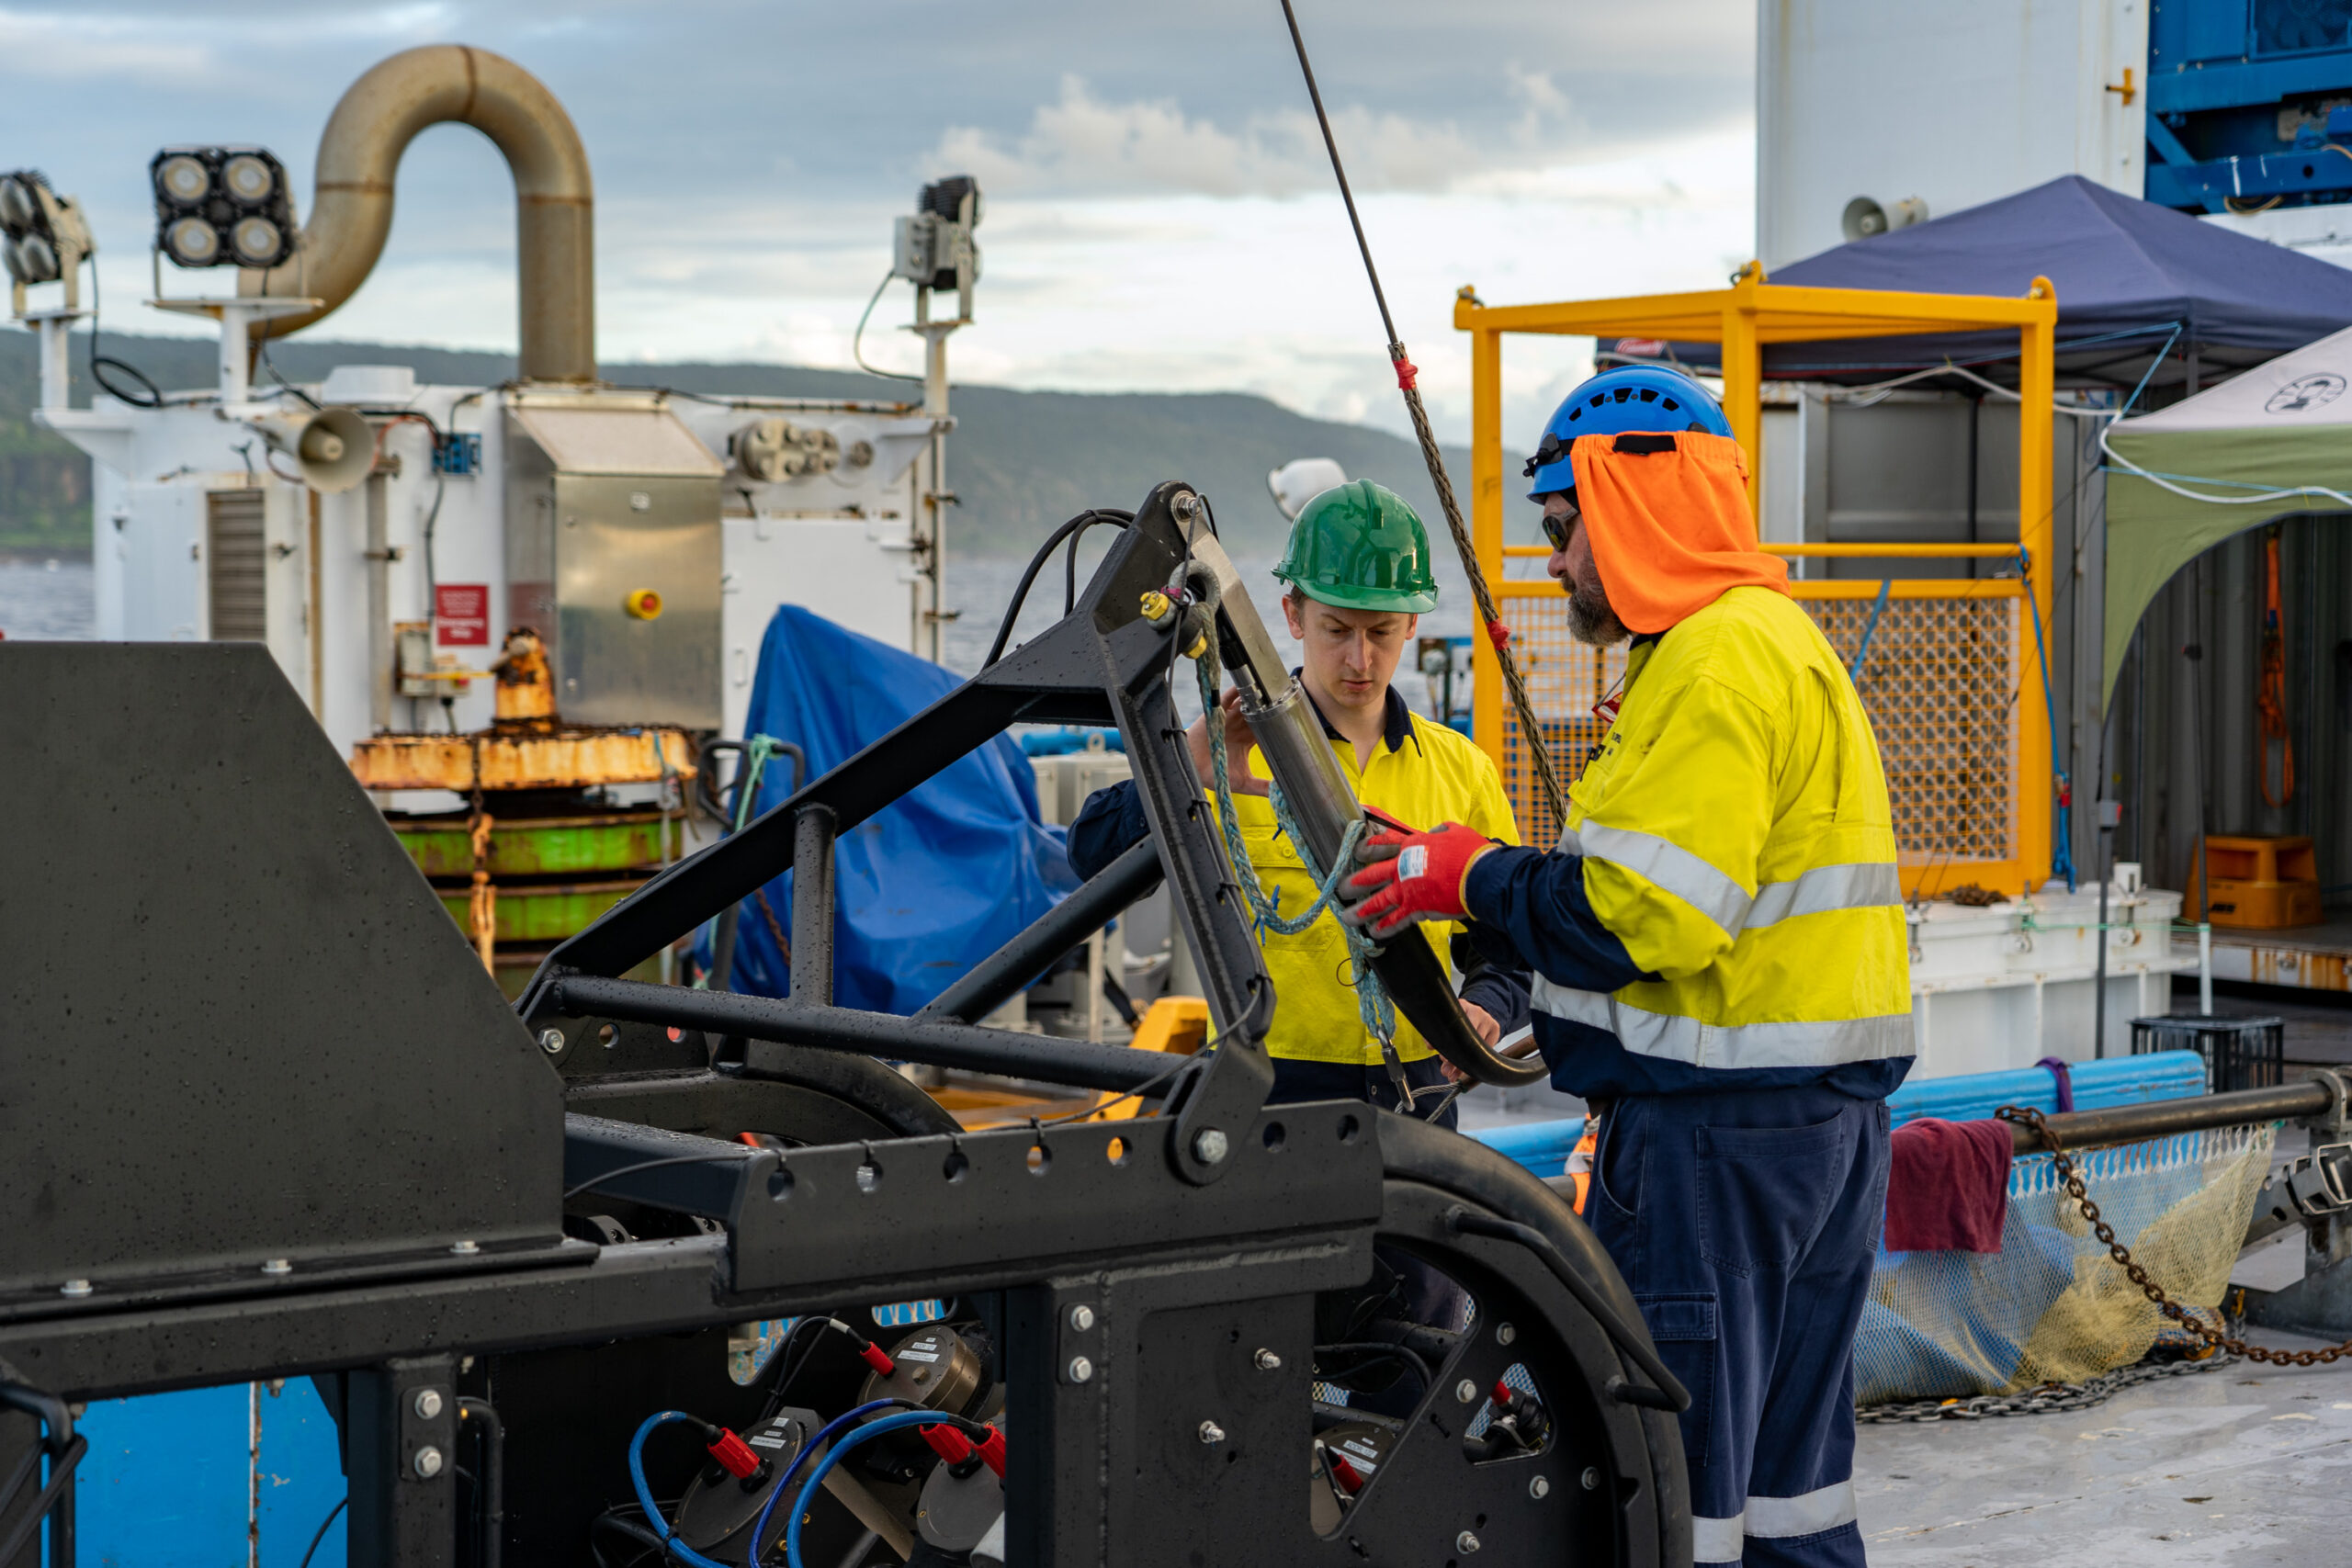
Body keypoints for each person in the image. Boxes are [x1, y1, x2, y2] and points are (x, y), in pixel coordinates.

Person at [1339, 366, 1913, 1568]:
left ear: (1632, 501)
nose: (1554, 562)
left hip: (1714, 1158)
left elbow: (1642, 917)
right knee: (1791, 1493)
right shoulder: (1774, 642)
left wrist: (1467, 877)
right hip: (1821, 1138)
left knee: (1670, 1498)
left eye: (1563, 526)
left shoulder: (1709, 665)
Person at [1066, 479, 1529, 1128]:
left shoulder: (1465, 771)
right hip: (1265, 1092)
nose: (1360, 658)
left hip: (1419, 1098)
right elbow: (1090, 855)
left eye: (1382, 632)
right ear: (1292, 616)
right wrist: (1182, 768)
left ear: (1412, 624)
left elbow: (1505, 944)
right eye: (1336, 629)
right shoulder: (1228, 751)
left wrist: (1485, 1005)